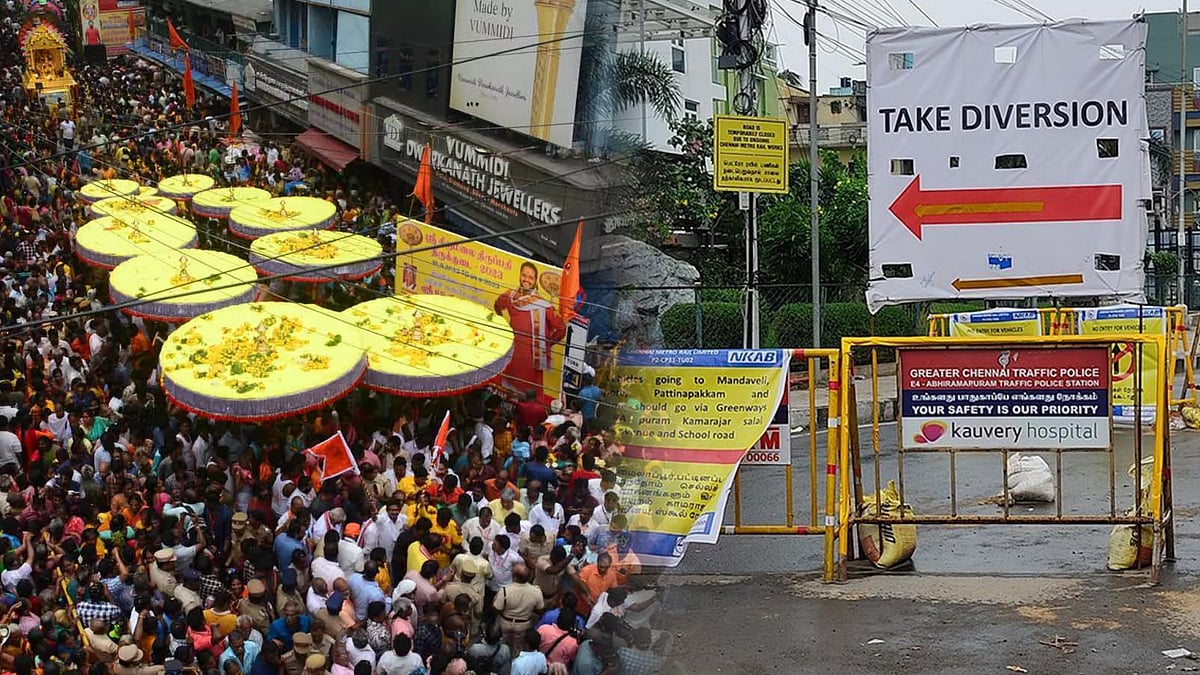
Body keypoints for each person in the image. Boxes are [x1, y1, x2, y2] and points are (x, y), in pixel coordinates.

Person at [494, 261, 566, 401]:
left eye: (530, 277)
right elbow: (497, 306)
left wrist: (547, 344)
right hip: (512, 352)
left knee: (530, 395)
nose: (526, 280)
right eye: (524, 275)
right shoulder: (509, 297)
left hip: (532, 357)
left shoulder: (543, 305)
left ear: (535, 282)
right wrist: (504, 329)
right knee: (506, 391)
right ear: (520, 276)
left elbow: (561, 329)